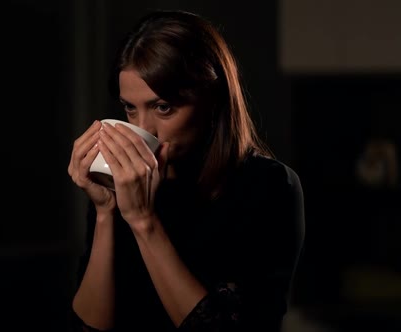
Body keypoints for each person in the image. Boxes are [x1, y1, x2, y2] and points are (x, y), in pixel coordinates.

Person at [67, 9, 305, 332]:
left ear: (212, 99)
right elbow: (90, 328)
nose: (143, 128)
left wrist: (143, 221)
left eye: (163, 107)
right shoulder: (123, 185)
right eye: (130, 109)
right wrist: (106, 212)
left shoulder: (268, 187)